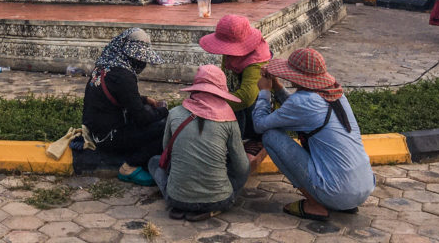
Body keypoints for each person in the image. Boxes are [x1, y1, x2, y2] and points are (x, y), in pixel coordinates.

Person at [253, 48, 375, 221]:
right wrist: (278, 87)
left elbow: (260, 125)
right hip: (362, 189)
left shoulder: (304, 101)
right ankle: (339, 201)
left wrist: (264, 92)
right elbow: (297, 110)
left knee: (270, 136)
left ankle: (315, 204)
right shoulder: (335, 93)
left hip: (337, 193)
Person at [147, 65, 265, 220]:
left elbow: (166, 149)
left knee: (154, 162)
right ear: (221, 91)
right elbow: (242, 167)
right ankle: (211, 208)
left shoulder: (175, 113)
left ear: (195, 89)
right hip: (218, 201)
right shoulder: (229, 119)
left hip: (175, 199)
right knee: (242, 169)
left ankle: (182, 204)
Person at [82, 28, 168, 186]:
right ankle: (130, 167)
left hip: (96, 132)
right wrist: (164, 111)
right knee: (165, 130)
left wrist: (145, 100)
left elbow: (120, 96)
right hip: (108, 138)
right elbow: (142, 119)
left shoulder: (106, 65)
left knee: (151, 114)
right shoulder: (123, 77)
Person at [199, 14, 272, 142]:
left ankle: (245, 139)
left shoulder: (256, 60)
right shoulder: (230, 54)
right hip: (236, 99)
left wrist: (213, 104)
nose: (225, 52)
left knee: (238, 111)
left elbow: (246, 97)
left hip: (254, 108)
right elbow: (224, 77)